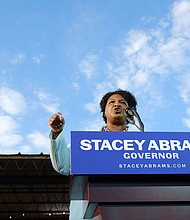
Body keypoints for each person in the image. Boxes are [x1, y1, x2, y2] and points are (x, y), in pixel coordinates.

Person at [48, 89, 140, 220]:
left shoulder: (141, 145)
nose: (117, 104)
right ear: (104, 112)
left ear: (130, 112)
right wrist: (57, 133)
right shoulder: (87, 145)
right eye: (111, 102)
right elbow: (62, 165)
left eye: (122, 102)